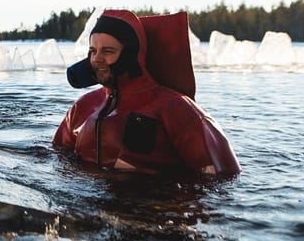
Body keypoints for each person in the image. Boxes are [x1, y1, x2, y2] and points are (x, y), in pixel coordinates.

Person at [53, 9, 240, 176]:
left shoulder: (176, 109)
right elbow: (57, 157)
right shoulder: (83, 107)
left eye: (108, 51)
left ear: (131, 55)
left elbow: (222, 178)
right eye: (93, 51)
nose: (96, 59)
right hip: (87, 210)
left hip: (150, 212)